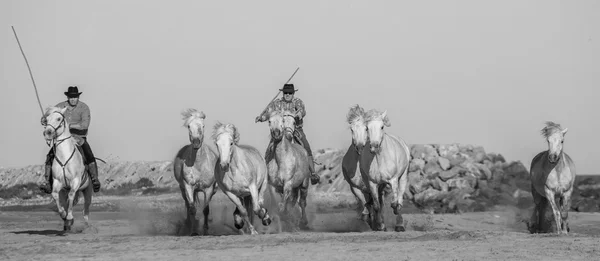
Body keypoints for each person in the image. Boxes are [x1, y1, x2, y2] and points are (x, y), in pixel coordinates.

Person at [39, 86, 101, 193]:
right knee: (50, 156)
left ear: (78, 97)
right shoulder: (60, 106)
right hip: (62, 139)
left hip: (78, 138)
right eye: (71, 97)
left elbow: (84, 125)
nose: (73, 99)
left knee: (88, 153)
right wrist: (45, 119)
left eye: (75, 97)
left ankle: (94, 179)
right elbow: (49, 117)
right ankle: (47, 182)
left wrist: (69, 125)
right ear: (67, 97)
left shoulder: (84, 108)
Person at [255, 83, 320, 185]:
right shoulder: (277, 103)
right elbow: (269, 113)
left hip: (296, 129)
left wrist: (299, 114)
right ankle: (266, 172)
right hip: (281, 131)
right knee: (270, 149)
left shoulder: (298, 102)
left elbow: (302, 111)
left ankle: (313, 173)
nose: (287, 94)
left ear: (293, 93)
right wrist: (261, 118)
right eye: (285, 93)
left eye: (290, 93)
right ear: (283, 93)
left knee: (306, 147)